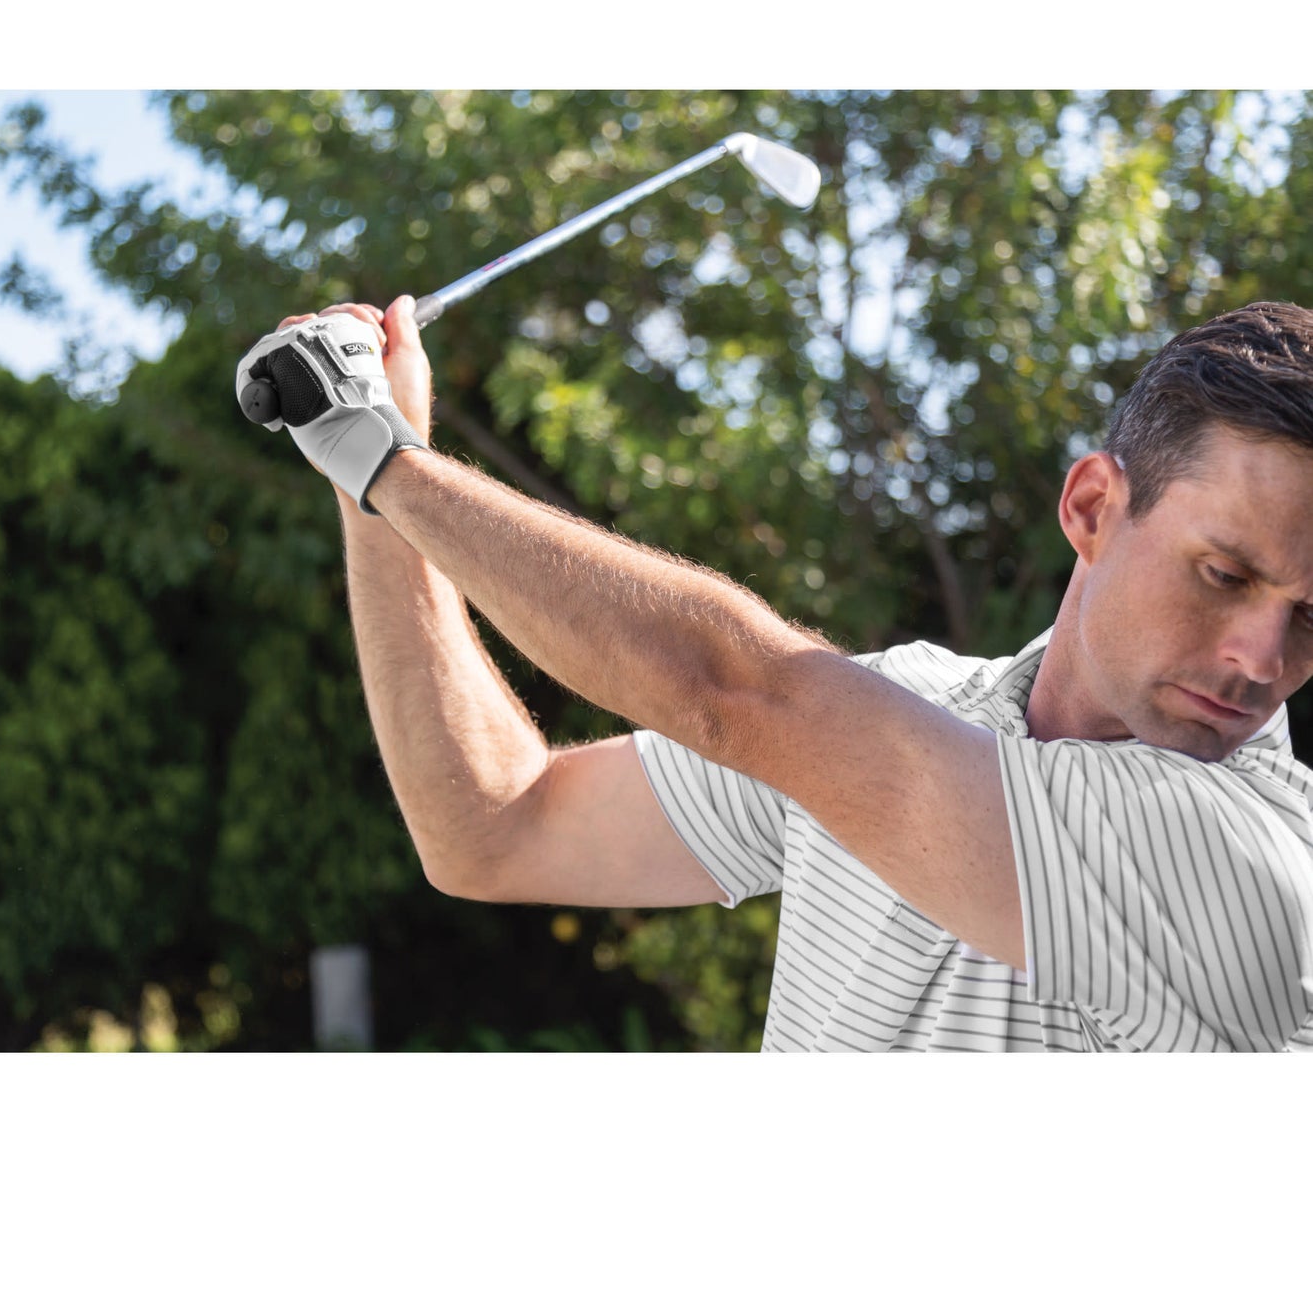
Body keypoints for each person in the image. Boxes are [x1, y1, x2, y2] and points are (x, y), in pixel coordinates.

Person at [236, 297, 1313, 1051]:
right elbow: (491, 828)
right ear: (1088, 509)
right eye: (1222, 575)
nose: (1263, 661)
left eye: (1310, 617)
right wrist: (368, 471)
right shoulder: (911, 708)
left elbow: (736, 690)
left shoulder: (1258, 862)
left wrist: (383, 456)